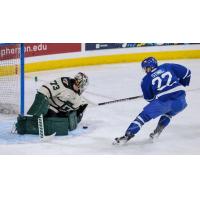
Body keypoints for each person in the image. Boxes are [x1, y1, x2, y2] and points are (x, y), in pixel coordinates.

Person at [114, 57, 191, 144]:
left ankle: (127, 136)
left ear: (148, 67)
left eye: (145, 68)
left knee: (142, 117)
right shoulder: (167, 66)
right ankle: (156, 133)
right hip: (181, 101)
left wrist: (156, 95)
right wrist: (183, 84)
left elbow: (149, 99)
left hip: (164, 101)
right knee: (168, 114)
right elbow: (187, 73)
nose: (145, 71)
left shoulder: (146, 79)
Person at [16, 72, 89, 136]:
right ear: (80, 84)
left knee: (66, 124)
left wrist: (75, 118)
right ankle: (25, 124)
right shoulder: (64, 83)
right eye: (83, 85)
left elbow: (79, 107)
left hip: (62, 111)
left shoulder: (78, 97)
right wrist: (40, 102)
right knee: (53, 124)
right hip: (50, 108)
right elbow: (44, 90)